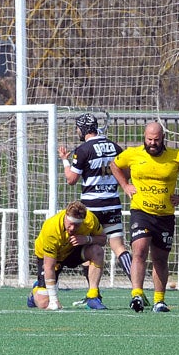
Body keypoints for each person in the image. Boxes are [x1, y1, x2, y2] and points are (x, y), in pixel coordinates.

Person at [112, 121, 179, 313]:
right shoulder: (132, 154)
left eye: (156, 140)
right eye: (149, 139)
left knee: (160, 259)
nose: (152, 143)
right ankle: (136, 294)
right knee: (139, 251)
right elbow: (114, 165)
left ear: (163, 139)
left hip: (165, 216)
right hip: (141, 212)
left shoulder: (177, 156)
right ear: (144, 137)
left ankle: (159, 300)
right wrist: (126, 185)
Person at [59, 113, 132, 288]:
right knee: (119, 247)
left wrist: (64, 161)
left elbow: (71, 180)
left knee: (86, 249)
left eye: (77, 128)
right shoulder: (115, 147)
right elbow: (127, 173)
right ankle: (137, 287)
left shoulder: (83, 150)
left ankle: (93, 292)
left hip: (91, 207)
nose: (77, 131)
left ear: (83, 129)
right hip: (112, 203)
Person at [28, 200, 107, 310]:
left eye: (77, 225)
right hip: (52, 257)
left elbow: (103, 239)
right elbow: (49, 266)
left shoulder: (90, 219)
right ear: (65, 216)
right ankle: (35, 291)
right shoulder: (52, 228)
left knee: (97, 251)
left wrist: (87, 239)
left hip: (72, 251)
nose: (72, 228)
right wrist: (54, 300)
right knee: (44, 303)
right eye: (70, 224)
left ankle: (93, 296)